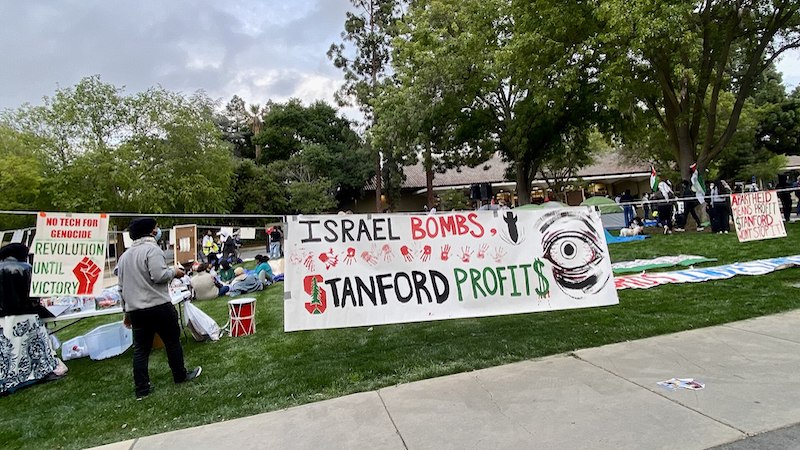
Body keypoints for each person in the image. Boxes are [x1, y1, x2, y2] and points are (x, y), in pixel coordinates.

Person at [117, 218, 201, 398]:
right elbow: (159, 275)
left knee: (141, 350)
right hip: (158, 306)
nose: (158, 230)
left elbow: (121, 288)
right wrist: (175, 272)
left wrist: (127, 312)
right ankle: (180, 375)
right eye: (156, 227)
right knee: (172, 342)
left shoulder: (124, 257)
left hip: (136, 310)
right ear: (151, 231)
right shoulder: (152, 250)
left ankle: (142, 389)